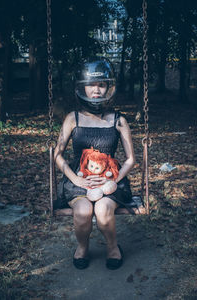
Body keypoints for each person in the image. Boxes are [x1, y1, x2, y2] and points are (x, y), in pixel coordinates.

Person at [54, 57, 145, 270]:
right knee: (83, 212)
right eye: (91, 84)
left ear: (108, 88)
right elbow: (57, 154)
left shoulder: (118, 120)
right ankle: (82, 247)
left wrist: (112, 181)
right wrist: (76, 178)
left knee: (103, 209)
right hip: (80, 180)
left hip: (111, 179)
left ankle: (113, 247)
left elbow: (131, 159)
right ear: (82, 87)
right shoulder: (72, 118)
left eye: (101, 85)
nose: (96, 90)